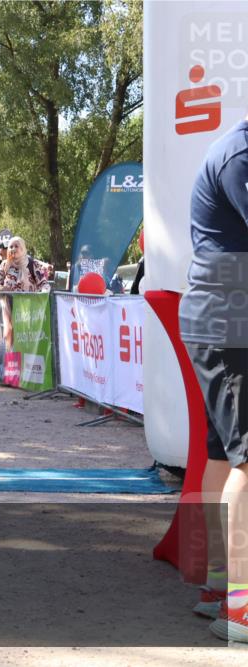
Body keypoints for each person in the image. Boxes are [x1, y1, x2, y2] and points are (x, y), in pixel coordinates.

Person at [179, 114, 248, 643]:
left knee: (222, 456)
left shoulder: (233, 150)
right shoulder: (240, 156)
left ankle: (219, 589)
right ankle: (241, 609)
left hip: (219, 320)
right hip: (228, 323)